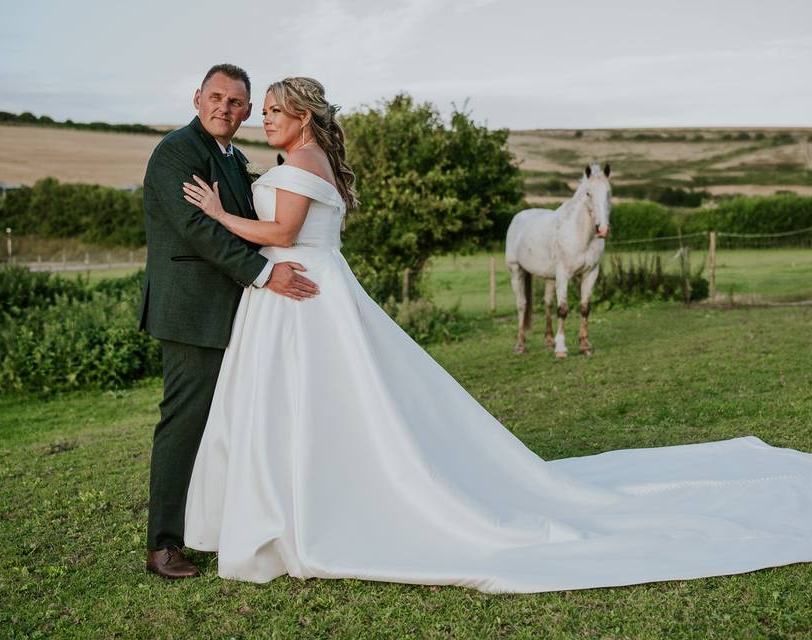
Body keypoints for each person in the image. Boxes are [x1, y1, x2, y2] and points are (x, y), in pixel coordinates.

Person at [180, 77, 812, 593]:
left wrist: (218, 214)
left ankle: (307, 509)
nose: (263, 119)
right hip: (296, 290)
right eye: (259, 110)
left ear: (303, 116)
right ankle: (293, 503)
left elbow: (284, 233)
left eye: (272, 111)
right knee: (316, 402)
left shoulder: (304, 161)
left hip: (303, 288)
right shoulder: (301, 160)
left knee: (318, 399)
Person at [138, 64, 320, 580]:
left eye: (237, 102)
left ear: (245, 112)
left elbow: (251, 225)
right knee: (185, 422)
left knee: (231, 425)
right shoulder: (176, 152)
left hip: (239, 312)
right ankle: (163, 545)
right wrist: (266, 275)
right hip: (192, 311)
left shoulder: (235, 159)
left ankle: (218, 526)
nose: (226, 108)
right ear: (197, 99)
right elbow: (198, 230)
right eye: (216, 97)